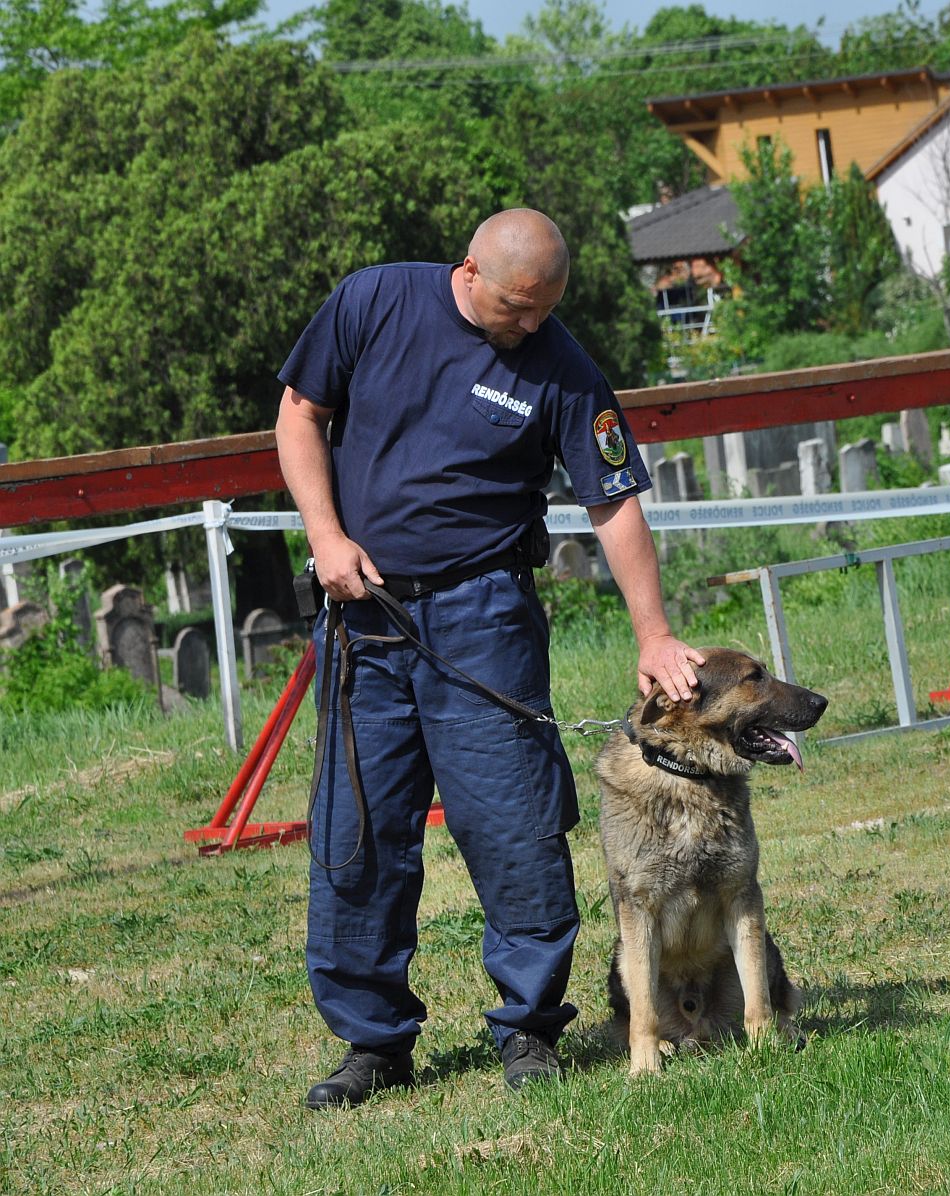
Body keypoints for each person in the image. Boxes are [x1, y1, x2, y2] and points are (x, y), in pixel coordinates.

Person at [274, 208, 704, 1109]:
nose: (531, 325)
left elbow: (613, 501)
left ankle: (529, 1028)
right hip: (366, 618)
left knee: (515, 829)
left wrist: (653, 630)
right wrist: (325, 535)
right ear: (469, 271)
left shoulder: (562, 365)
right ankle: (372, 1043)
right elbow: (300, 413)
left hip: (484, 618)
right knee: (358, 837)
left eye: (546, 308)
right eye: (518, 306)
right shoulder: (373, 300)